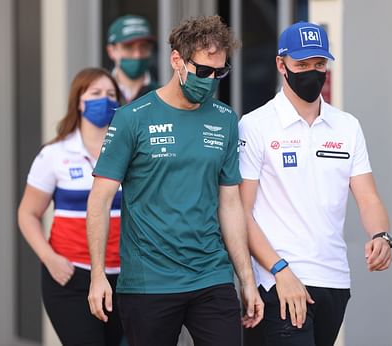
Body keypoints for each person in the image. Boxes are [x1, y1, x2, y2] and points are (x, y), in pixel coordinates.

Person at [87, 15, 264, 346]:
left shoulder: (225, 120)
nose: (211, 80)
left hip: (212, 275)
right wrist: (98, 276)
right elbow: (100, 198)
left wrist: (247, 280)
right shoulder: (131, 119)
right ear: (177, 61)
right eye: (203, 70)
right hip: (149, 282)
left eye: (220, 72)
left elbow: (230, 204)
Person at [239, 21, 392, 346]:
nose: (312, 72)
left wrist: (381, 236)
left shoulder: (347, 126)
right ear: (281, 65)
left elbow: (369, 199)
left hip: (334, 279)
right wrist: (279, 270)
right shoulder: (255, 126)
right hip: (279, 281)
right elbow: (242, 212)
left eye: (319, 64)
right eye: (302, 65)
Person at [17, 68, 124, 345]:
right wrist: (49, 258)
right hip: (71, 277)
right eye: (96, 93)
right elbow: (28, 214)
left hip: (125, 279)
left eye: (111, 94)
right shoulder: (54, 154)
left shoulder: (129, 152)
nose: (105, 99)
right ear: (79, 101)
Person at [106, 14, 158, 104]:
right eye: (128, 47)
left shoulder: (163, 95)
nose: (137, 55)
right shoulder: (100, 94)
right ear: (111, 51)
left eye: (144, 46)